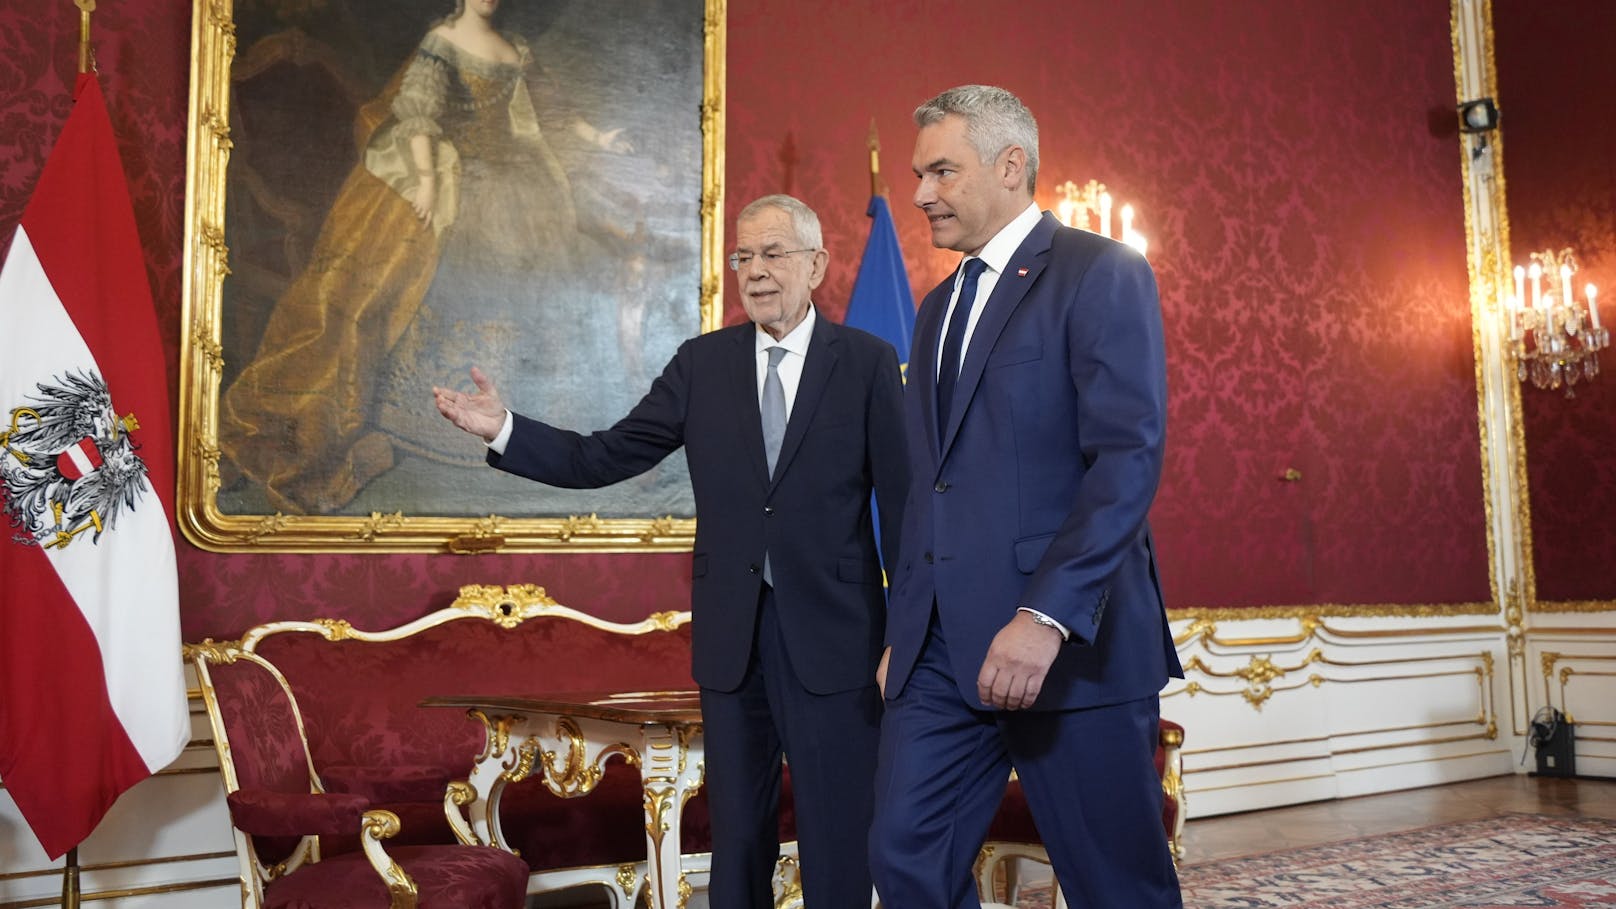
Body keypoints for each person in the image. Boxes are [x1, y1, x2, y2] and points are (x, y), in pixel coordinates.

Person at [434, 194, 907, 908]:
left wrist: (905, 633)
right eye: (743, 255)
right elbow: (604, 456)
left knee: (839, 836)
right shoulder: (702, 364)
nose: (756, 270)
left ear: (817, 264)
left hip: (839, 638)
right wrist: (506, 429)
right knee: (738, 838)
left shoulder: (868, 363)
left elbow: (905, 507)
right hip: (732, 639)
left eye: (773, 253)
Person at [868, 85, 1184, 908]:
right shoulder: (935, 308)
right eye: (917, 173)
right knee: (905, 858)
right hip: (939, 652)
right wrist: (910, 624)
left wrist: (1044, 616)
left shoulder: (1101, 272)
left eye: (942, 170)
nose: (920, 192)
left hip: (1071, 646)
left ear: (1012, 166)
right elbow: (927, 484)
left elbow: (1125, 460)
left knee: (1116, 885)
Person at [221, 0, 635, 513]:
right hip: (457, 176)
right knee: (435, 261)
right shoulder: (443, 42)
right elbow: (418, 113)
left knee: (537, 258)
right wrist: (427, 180)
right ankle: (423, 413)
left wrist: (601, 137)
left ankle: (518, 413)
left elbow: (551, 110)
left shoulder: (515, 48)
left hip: (516, 177)